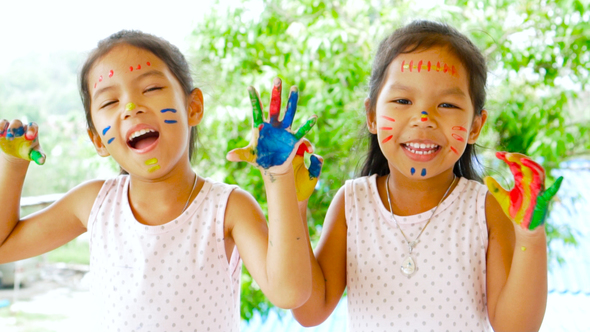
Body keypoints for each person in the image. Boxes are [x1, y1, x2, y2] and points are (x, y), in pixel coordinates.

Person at [0, 30, 316, 331]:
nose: (130, 107)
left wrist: (279, 176)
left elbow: (289, 293)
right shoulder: (94, 203)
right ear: (97, 140)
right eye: (110, 102)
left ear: (193, 107)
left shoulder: (228, 209)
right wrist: (12, 166)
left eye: (150, 89)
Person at [291, 20, 562, 331]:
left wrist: (531, 237)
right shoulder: (353, 203)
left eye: (446, 104)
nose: (424, 119)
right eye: (403, 101)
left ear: (475, 125)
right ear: (372, 115)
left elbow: (516, 327)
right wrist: (294, 203)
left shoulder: (485, 210)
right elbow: (309, 312)